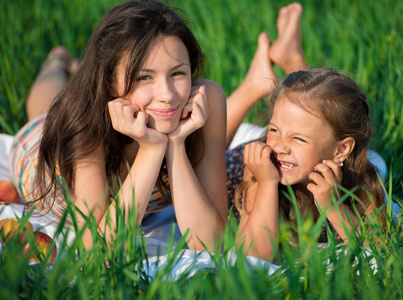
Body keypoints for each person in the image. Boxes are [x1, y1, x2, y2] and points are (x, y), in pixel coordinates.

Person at [10, 0, 228, 251]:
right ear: (110, 81)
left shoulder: (205, 99)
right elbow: (97, 252)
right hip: (38, 156)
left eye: (178, 73)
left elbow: (212, 244)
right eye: (144, 77)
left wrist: (176, 143)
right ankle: (56, 62)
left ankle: (74, 68)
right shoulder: (85, 121)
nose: (167, 95)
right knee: (45, 112)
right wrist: (151, 150)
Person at [225, 3, 387, 261]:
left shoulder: (361, 178)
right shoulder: (260, 168)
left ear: (341, 150)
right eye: (274, 130)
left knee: (315, 100)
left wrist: (335, 206)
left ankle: (292, 59)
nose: (280, 146)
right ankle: (253, 85)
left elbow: (380, 250)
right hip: (228, 166)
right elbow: (252, 257)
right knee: (202, 152)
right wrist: (267, 183)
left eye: (298, 139)